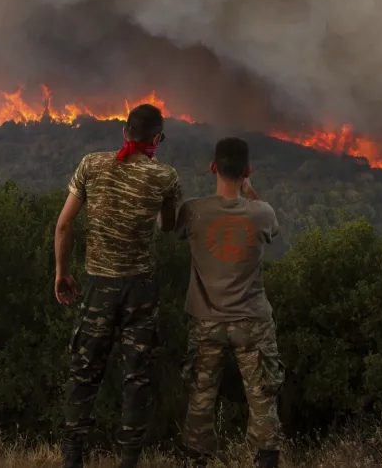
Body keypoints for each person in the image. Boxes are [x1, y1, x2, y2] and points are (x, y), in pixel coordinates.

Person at [53, 103, 183, 468]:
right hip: (140, 291)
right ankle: (128, 461)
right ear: (156, 138)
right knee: (137, 379)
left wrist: (61, 272)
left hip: (98, 288)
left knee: (83, 375)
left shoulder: (91, 164)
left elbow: (64, 226)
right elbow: (168, 226)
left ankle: (73, 459)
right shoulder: (165, 177)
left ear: (125, 133)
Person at [174, 137, 285, 468]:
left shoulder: (193, 211)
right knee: (263, 397)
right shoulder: (261, 212)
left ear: (212, 168)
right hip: (252, 322)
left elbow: (169, 228)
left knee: (200, 398)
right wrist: (250, 192)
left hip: (206, 321)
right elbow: (272, 229)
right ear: (247, 171)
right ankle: (266, 461)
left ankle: (196, 460)